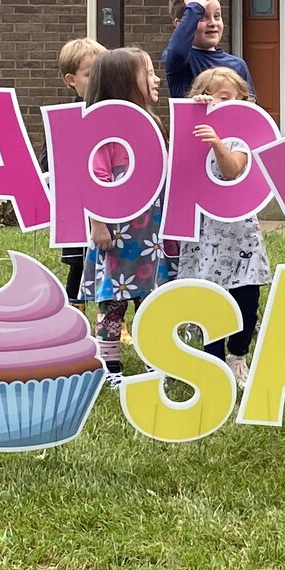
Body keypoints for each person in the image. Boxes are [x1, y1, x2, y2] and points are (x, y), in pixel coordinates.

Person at [180, 66, 272, 393]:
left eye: (232, 98)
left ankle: (238, 356)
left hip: (238, 234)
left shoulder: (240, 138)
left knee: (246, 297)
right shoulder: (191, 133)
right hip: (205, 235)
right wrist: (196, 113)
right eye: (216, 97)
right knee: (210, 299)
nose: (225, 104)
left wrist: (218, 143)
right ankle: (213, 362)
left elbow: (232, 170)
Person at [80, 46, 168, 376]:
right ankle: (110, 366)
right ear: (123, 82)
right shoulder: (106, 129)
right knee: (113, 300)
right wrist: (98, 224)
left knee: (151, 298)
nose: (156, 78)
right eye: (148, 73)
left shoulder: (153, 123)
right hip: (118, 232)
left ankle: (154, 358)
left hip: (151, 234)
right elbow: (94, 177)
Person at [54, 35, 103, 304]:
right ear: (71, 80)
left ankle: (118, 324)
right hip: (78, 209)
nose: (97, 80)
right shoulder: (67, 117)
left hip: (111, 204)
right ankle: (75, 316)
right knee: (79, 264)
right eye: (89, 74)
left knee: (117, 263)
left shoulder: (117, 112)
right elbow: (49, 161)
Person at [163, 0, 248, 100]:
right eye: (202, 17)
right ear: (180, 25)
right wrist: (194, 7)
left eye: (217, 16)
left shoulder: (238, 65)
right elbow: (178, 52)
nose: (213, 23)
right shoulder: (181, 62)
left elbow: (251, 108)